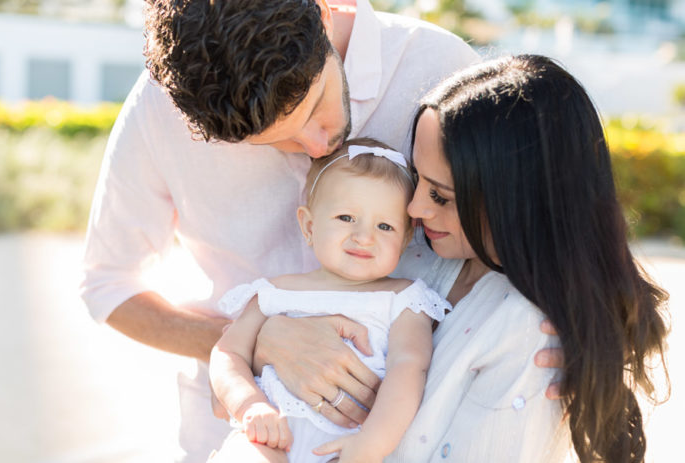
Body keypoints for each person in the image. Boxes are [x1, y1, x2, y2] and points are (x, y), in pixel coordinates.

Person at [79, 1, 561, 460]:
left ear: (324, 16)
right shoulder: (161, 108)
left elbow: (543, 211)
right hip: (240, 439)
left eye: (313, 108)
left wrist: (605, 319)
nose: (314, 146)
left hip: (414, 439)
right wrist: (255, 340)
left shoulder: (440, 66)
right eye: (271, 140)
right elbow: (109, 286)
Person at [375, 54, 668, 462]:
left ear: (515, 200)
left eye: (441, 195)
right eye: (417, 179)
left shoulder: (529, 332)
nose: (414, 208)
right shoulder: (417, 251)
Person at [209, 139, 450, 463]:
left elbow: (409, 369)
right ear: (309, 225)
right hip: (269, 436)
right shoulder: (273, 293)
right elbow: (227, 354)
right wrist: (249, 404)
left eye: (384, 226)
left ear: (405, 239)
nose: (364, 236)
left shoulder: (404, 299)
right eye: (346, 217)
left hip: (350, 445)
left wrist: (372, 444)